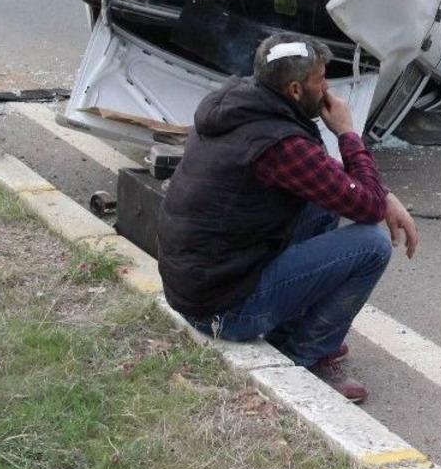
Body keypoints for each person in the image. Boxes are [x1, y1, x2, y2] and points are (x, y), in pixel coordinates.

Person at [157, 33, 419, 403]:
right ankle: (306, 354)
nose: (327, 88)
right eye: (320, 79)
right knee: (372, 245)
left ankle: (291, 328)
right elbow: (368, 208)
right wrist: (347, 133)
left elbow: (332, 181)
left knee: (324, 201)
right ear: (296, 89)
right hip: (224, 310)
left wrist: (384, 193)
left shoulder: (240, 105)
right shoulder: (279, 142)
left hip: (201, 286)